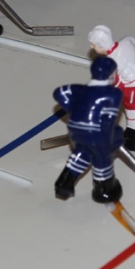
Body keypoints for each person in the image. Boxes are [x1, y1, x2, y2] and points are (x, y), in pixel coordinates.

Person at [53, 56, 125, 204]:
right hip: (97, 134)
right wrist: (107, 144)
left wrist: (73, 109)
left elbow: (59, 92)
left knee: (82, 152)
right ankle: (104, 189)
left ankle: (64, 183)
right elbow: (108, 121)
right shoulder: (113, 94)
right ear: (111, 74)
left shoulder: (78, 89)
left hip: (76, 130)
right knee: (102, 158)